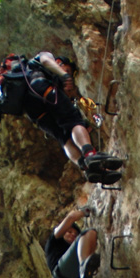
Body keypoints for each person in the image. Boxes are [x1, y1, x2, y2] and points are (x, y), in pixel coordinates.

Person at [20, 52, 124, 184]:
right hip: (43, 89)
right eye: (67, 69)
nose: (68, 73)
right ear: (59, 62)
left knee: (63, 138)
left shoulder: (27, 76)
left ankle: (86, 167)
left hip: (33, 110)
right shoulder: (44, 57)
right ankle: (90, 154)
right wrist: (64, 75)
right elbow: (46, 61)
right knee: (74, 121)